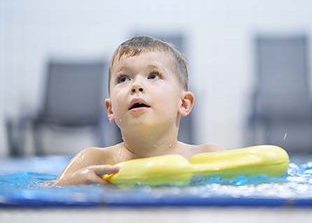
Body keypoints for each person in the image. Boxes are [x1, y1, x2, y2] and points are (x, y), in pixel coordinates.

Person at [52, 36, 224, 186]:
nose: (136, 86)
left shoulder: (207, 157)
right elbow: (49, 190)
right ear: (110, 109)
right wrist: (76, 181)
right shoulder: (94, 160)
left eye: (153, 75)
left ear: (184, 103)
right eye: (123, 78)